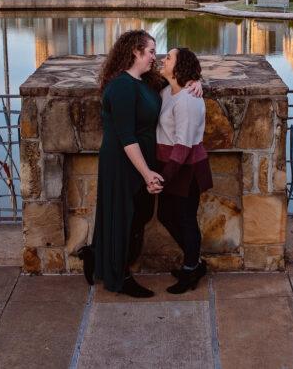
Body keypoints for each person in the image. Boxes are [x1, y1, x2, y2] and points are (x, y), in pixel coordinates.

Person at [78, 30, 202, 298]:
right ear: (134, 51)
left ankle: (96, 254)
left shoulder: (147, 81)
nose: (154, 58)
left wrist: (197, 82)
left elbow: (179, 85)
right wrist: (147, 174)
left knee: (141, 216)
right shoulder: (122, 86)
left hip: (145, 162)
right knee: (126, 218)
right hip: (124, 163)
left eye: (157, 53)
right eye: (149, 52)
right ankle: (119, 276)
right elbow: (126, 137)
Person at [156, 48, 212, 294]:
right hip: (172, 168)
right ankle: (195, 262)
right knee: (166, 216)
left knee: (186, 220)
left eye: (168, 58)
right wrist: (197, 80)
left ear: (178, 67)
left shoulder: (188, 100)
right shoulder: (168, 91)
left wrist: (164, 178)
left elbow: (183, 145)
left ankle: (191, 269)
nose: (162, 60)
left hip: (186, 171)